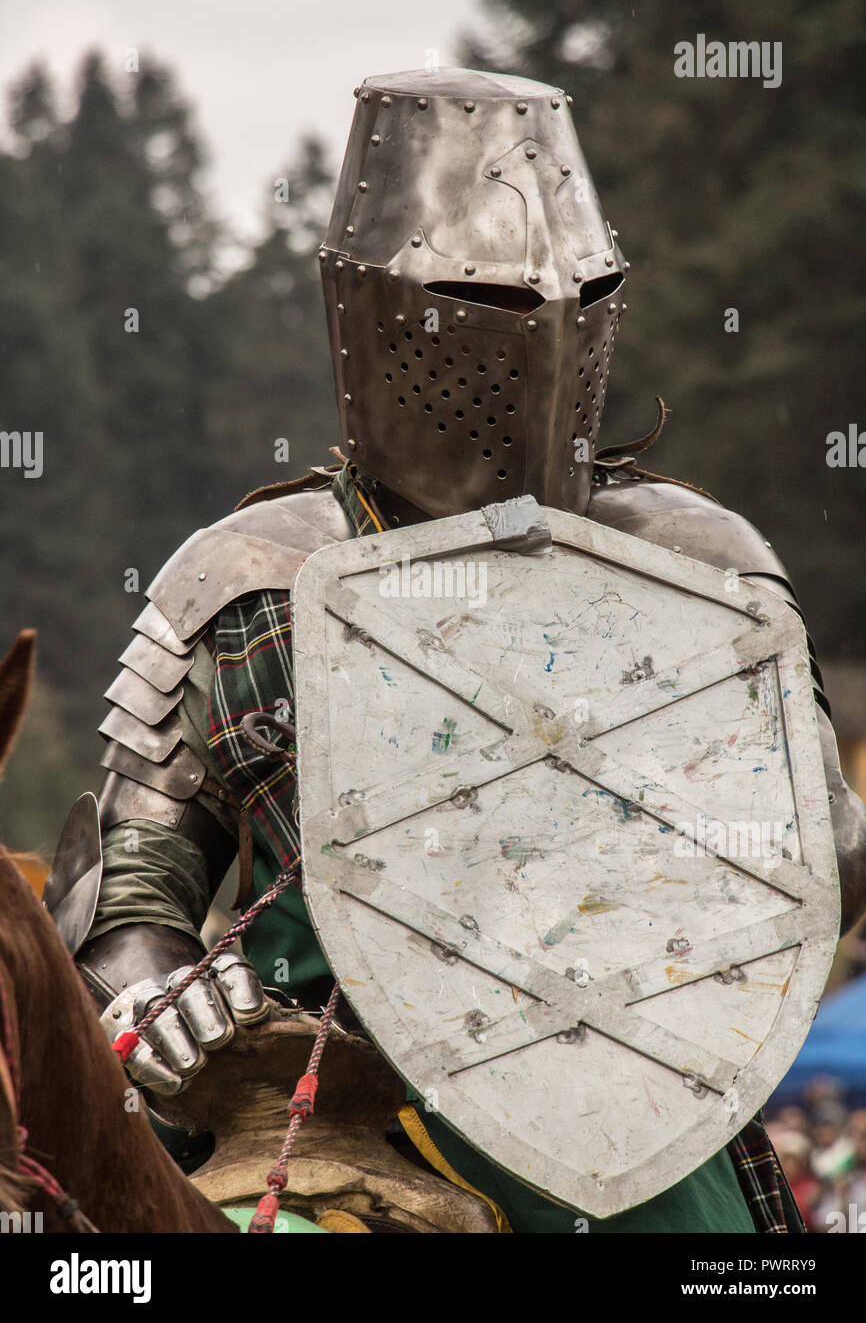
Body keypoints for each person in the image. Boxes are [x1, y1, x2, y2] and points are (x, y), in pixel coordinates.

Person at [47, 67, 866, 1233]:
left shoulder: (694, 563)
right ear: (375, 311)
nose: (540, 339)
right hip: (314, 1090)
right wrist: (162, 996)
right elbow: (128, 886)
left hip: (617, 1100)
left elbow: (815, 861)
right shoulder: (251, 578)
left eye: (580, 295)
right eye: (480, 302)